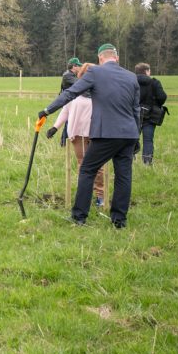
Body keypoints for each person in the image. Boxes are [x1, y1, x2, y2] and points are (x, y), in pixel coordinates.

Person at [39, 43, 140, 229]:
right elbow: (135, 111)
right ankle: (119, 221)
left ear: (100, 58)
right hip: (128, 134)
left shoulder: (96, 72)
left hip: (106, 133)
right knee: (124, 176)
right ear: (116, 58)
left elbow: (70, 93)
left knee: (87, 170)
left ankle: (79, 217)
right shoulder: (131, 77)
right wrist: (137, 137)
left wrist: (47, 110)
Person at [46, 63, 104, 207]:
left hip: (97, 133)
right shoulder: (75, 91)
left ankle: (100, 196)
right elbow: (65, 110)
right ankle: (84, 194)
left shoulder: (102, 92)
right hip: (78, 134)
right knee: (82, 165)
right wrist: (55, 127)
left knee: (99, 166)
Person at [135, 62, 167, 166]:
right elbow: (162, 97)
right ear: (147, 71)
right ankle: (147, 162)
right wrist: (156, 103)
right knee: (148, 140)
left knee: (132, 138)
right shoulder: (155, 83)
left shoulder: (131, 82)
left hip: (134, 115)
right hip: (150, 116)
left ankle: (130, 158)